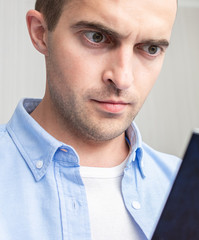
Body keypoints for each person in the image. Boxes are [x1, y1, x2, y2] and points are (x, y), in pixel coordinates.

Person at [0, 0, 180, 239]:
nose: (123, 79)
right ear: (41, 33)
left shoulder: (193, 188)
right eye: (96, 37)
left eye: (150, 49)